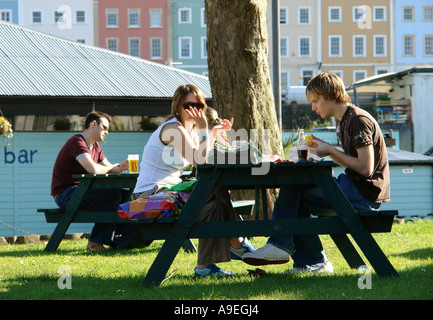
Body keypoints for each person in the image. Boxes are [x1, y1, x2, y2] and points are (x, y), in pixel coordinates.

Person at [243, 72, 390, 274]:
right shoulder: (345, 120)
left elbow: (365, 168)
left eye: (315, 101)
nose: (313, 107)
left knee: (295, 189)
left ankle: (284, 247)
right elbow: (354, 162)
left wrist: (330, 150)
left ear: (329, 95)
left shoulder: (358, 120)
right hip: (354, 187)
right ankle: (310, 263)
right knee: (296, 193)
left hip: (363, 194)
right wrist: (328, 148)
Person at [133, 84, 255, 277]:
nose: (194, 110)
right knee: (213, 188)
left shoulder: (190, 130)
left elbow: (206, 158)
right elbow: (199, 160)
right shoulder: (173, 128)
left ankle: (205, 268)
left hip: (172, 192)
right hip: (150, 196)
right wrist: (205, 129)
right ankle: (238, 243)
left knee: (213, 205)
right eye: (188, 105)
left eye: (199, 106)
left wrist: (215, 134)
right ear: (177, 106)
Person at [51, 111, 131, 252]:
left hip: (81, 191)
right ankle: (95, 243)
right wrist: (112, 168)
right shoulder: (77, 142)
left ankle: (122, 240)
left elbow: (107, 167)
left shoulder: (96, 147)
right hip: (65, 195)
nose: (107, 132)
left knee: (126, 196)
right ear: (94, 124)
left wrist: (119, 167)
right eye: (105, 128)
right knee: (112, 196)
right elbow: (93, 169)